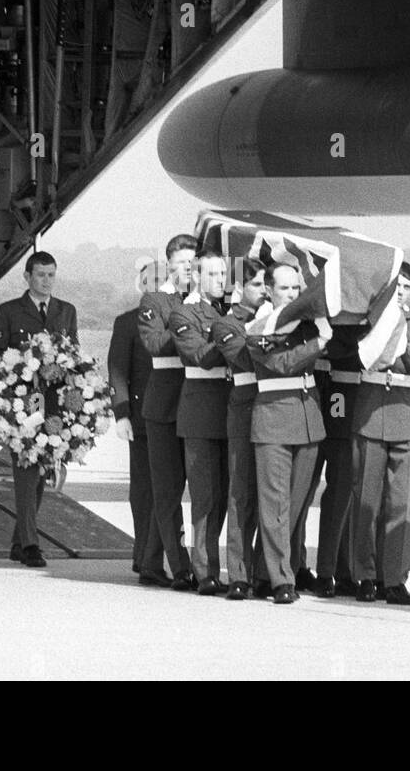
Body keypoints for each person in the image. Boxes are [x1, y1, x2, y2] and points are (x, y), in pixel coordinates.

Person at [0, 250, 79, 569]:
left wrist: (64, 372)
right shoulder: (9, 311)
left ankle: (17, 541)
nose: (47, 280)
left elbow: (73, 354)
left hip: (53, 403)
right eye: (40, 275)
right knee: (25, 471)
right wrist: (23, 367)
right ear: (27, 277)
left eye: (51, 274)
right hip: (23, 402)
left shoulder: (66, 311)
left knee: (41, 473)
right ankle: (30, 545)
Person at [246, 263, 329, 605]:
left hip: (307, 419)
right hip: (275, 420)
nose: (293, 296)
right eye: (285, 289)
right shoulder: (259, 325)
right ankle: (282, 579)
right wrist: (320, 342)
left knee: (295, 506)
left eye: (297, 289)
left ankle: (264, 573)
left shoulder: (309, 324)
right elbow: (281, 363)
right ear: (269, 290)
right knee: (275, 506)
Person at [350, 263, 410, 605]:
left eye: (407, 286)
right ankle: (364, 575)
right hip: (372, 407)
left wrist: (403, 346)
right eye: (397, 286)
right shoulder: (370, 321)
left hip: (405, 409)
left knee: (401, 503)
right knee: (367, 500)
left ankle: (394, 578)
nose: (402, 292)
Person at [137, 234, 197, 590]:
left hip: (196, 402)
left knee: (193, 488)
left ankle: (150, 562)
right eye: (184, 263)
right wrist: (184, 322)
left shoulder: (207, 301)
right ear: (169, 264)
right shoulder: (154, 300)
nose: (189, 269)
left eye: (194, 264)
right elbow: (154, 344)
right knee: (168, 490)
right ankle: (180, 566)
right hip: (164, 404)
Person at [169, 251, 232, 595]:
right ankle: (204, 570)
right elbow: (198, 355)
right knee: (205, 497)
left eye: (223, 274)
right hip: (200, 413)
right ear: (196, 276)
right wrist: (235, 334)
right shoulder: (184, 312)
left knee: (222, 496)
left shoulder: (225, 311)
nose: (221, 280)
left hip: (226, 412)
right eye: (213, 274)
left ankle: (210, 564)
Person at [210, 257, 267, 600]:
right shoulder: (227, 324)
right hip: (245, 409)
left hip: (275, 409)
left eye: (265, 285)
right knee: (241, 493)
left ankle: (265, 571)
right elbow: (245, 358)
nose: (264, 291)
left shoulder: (278, 319)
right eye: (257, 285)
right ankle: (239, 573)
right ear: (239, 288)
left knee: (271, 497)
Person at [109, 261, 167, 586]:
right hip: (141, 418)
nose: (157, 284)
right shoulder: (127, 323)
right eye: (151, 279)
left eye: (163, 279)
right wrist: (121, 415)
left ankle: (153, 556)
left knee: (165, 491)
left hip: (175, 416)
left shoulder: (177, 318)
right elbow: (117, 370)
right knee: (143, 490)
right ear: (141, 284)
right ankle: (143, 555)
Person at [309, 322, 365, 599]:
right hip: (321, 399)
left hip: (341, 399)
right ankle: (299, 566)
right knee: (300, 494)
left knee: (341, 496)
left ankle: (334, 570)